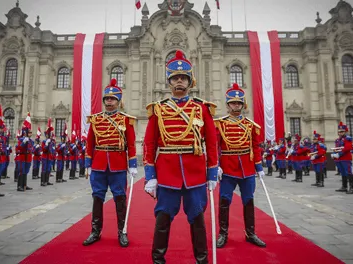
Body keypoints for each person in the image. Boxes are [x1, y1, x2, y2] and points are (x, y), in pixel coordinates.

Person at [143, 50, 218, 263]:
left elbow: (211, 144)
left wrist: (212, 173)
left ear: (190, 81)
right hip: (166, 174)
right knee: (163, 218)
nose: (179, 81)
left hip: (194, 174)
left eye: (183, 78)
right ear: (169, 82)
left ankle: (201, 260)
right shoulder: (158, 109)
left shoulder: (202, 109)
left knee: (197, 218)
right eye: (175, 78)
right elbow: (149, 144)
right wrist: (150, 175)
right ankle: (158, 260)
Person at [83, 78, 138, 247]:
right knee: (97, 197)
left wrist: (133, 165)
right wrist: (88, 164)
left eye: (113, 98)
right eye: (107, 98)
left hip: (118, 165)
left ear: (118, 101)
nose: (109, 101)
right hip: (99, 164)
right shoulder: (95, 120)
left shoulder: (126, 120)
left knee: (119, 198)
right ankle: (95, 231)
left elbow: (131, 143)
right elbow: (90, 143)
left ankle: (122, 231)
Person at [214, 83, 266, 249]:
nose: (236, 105)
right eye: (233, 103)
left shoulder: (250, 125)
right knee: (224, 201)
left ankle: (250, 233)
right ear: (228, 105)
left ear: (243, 105)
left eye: (239, 103)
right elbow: (215, 146)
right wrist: (216, 165)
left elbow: (255, 146)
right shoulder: (219, 124)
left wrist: (259, 167)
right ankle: (223, 233)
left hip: (247, 168)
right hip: (228, 169)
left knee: (248, 201)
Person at [331, 122, 353, 194]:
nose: (340, 133)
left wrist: (339, 154)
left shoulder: (348, 138)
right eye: (339, 132)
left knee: (348, 172)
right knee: (343, 173)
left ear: (345, 131)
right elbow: (336, 148)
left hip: (346, 158)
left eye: (342, 131)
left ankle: (352, 188)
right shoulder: (338, 140)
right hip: (340, 159)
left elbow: (347, 148)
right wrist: (334, 154)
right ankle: (344, 186)